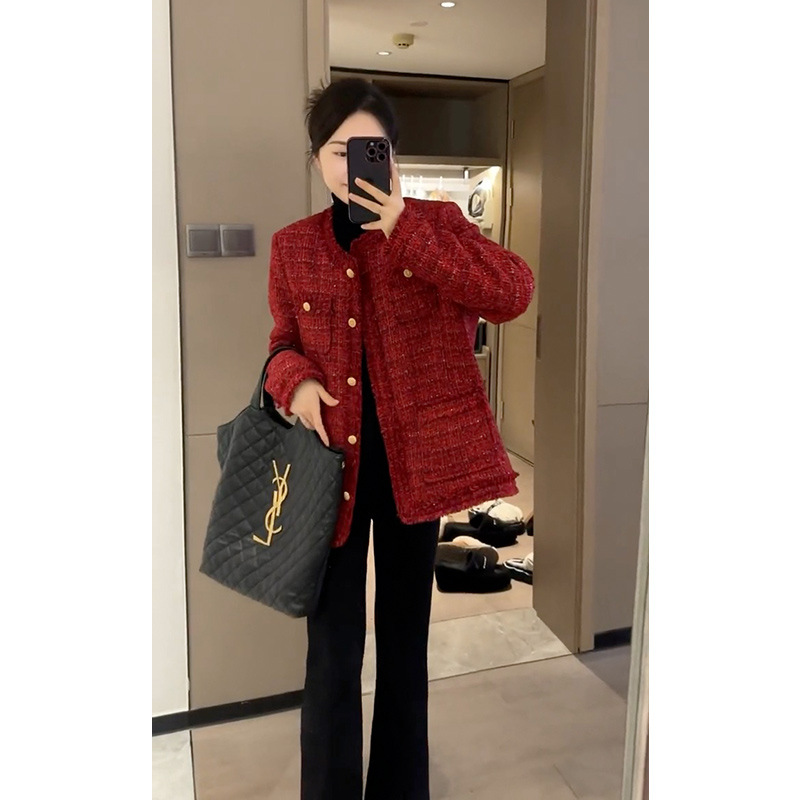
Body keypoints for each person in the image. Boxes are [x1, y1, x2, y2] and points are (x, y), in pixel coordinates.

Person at [264, 78, 535, 800]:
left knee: (405, 646)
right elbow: (281, 344)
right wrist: (296, 383)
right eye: (337, 149)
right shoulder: (293, 247)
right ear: (316, 159)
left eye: (370, 148)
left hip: (418, 474)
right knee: (331, 651)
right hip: (329, 476)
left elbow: (511, 292)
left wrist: (405, 229)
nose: (351, 163)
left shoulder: (436, 224)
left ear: (392, 155)